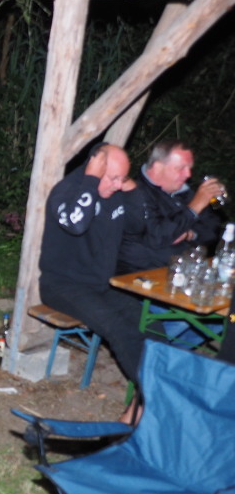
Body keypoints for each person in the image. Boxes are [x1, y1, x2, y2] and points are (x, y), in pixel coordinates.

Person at [39, 143, 149, 397]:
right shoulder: (67, 191)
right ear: (94, 167)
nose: (118, 185)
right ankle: (153, 395)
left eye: (123, 178)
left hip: (101, 284)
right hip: (62, 285)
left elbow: (137, 226)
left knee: (147, 321)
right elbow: (76, 224)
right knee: (119, 329)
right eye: (113, 178)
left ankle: (171, 382)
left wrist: (131, 190)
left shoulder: (115, 193)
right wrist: (91, 180)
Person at [117, 140, 225, 275]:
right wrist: (194, 207)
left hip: (183, 272)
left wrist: (189, 234)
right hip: (141, 276)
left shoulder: (185, 192)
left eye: (189, 168)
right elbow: (157, 236)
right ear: (157, 167)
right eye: (180, 168)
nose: (188, 174)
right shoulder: (134, 194)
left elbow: (212, 229)